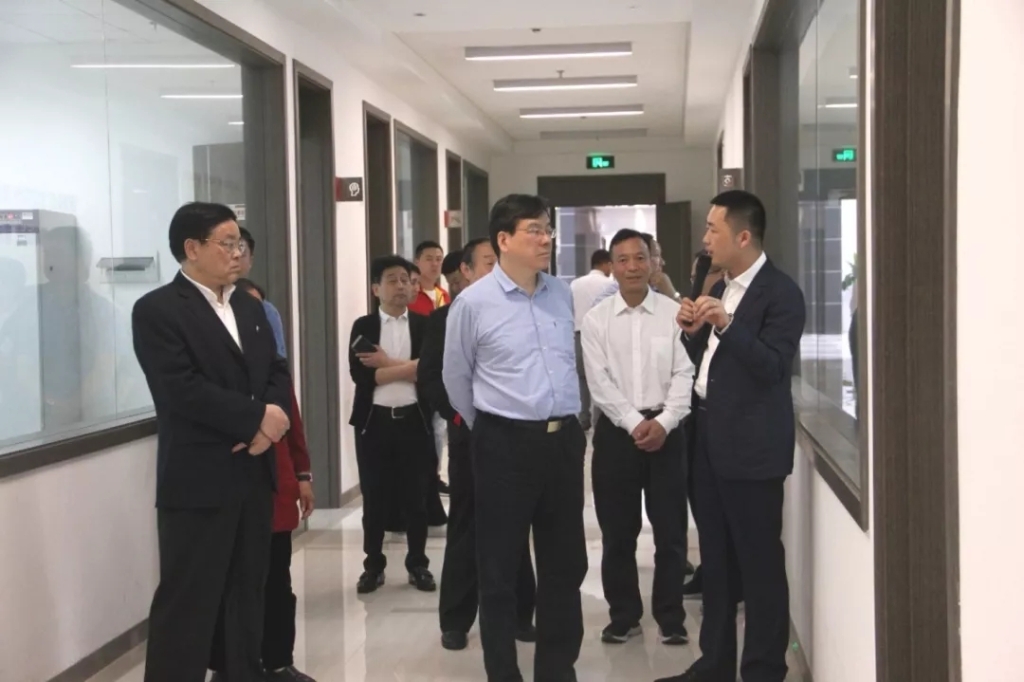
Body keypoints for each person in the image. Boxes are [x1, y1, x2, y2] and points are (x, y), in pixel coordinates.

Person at [132, 202, 292, 682]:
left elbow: (275, 371)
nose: (238, 252)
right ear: (192, 248)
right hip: (198, 479)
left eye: (239, 243)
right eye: (227, 243)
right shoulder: (158, 310)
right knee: (189, 600)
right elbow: (180, 389)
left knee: (248, 594)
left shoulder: (250, 307)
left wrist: (270, 425)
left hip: (253, 474)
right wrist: (255, 421)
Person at [658, 190, 805, 682]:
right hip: (707, 438)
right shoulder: (720, 286)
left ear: (743, 237)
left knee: (759, 564)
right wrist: (691, 332)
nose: (705, 238)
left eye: (712, 229)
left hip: (752, 449)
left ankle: (763, 669)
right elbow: (710, 365)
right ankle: (714, 664)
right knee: (716, 561)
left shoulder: (781, 293)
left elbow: (773, 368)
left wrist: (727, 324)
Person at [444, 194, 587, 682]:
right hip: (503, 443)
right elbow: (456, 378)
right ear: (503, 240)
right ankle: (503, 672)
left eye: (548, 229)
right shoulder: (472, 303)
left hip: (563, 442)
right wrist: (492, 428)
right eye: (534, 230)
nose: (546, 239)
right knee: (500, 568)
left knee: (565, 565)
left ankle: (557, 670)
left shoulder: (561, 293)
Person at [420, 238, 538, 652]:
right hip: (470, 436)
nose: (497, 268)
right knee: (466, 525)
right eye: (489, 262)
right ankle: (456, 618)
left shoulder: (522, 311)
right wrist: (460, 416)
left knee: (516, 524)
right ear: (466, 272)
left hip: (517, 437)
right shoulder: (446, 317)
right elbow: (431, 378)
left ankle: (521, 612)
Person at [581, 229, 694, 647]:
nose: (632, 267)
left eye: (640, 258)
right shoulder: (596, 320)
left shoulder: (674, 313)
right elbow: (598, 382)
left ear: (653, 262)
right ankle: (624, 616)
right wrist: (634, 423)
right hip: (616, 436)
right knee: (618, 533)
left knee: (671, 533)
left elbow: (685, 373)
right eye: (623, 259)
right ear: (611, 266)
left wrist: (664, 422)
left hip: (668, 434)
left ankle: (671, 617)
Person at [208, 279, 316, 682]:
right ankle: (226, 665)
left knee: (276, 583)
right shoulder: (215, 374)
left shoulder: (275, 377)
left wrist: (303, 476)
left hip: (274, 491)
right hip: (224, 492)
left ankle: (277, 660)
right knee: (225, 584)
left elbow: (295, 427)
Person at [349, 255, 436, 594]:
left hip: (414, 421)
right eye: (392, 280)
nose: (401, 286)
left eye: (405, 279)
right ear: (376, 288)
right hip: (374, 424)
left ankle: (418, 564)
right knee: (374, 498)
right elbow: (363, 377)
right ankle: (373, 566)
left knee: (417, 497)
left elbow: (429, 372)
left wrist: (386, 363)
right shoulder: (364, 327)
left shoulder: (424, 325)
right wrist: (408, 367)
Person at [569, 249, 612, 430]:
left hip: (578, 334)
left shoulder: (575, 284)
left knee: (582, 379)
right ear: (605, 264)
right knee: (602, 378)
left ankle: (583, 418)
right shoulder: (609, 284)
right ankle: (599, 419)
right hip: (600, 336)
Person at [239, 227, 287, 357]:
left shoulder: (267, 310)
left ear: (251, 261)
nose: (235, 259)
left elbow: (278, 359)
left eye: (242, 254)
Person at [408, 240, 450, 316]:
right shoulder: (409, 294)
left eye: (438, 259)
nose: (435, 264)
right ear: (416, 262)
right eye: (429, 259)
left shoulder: (444, 295)